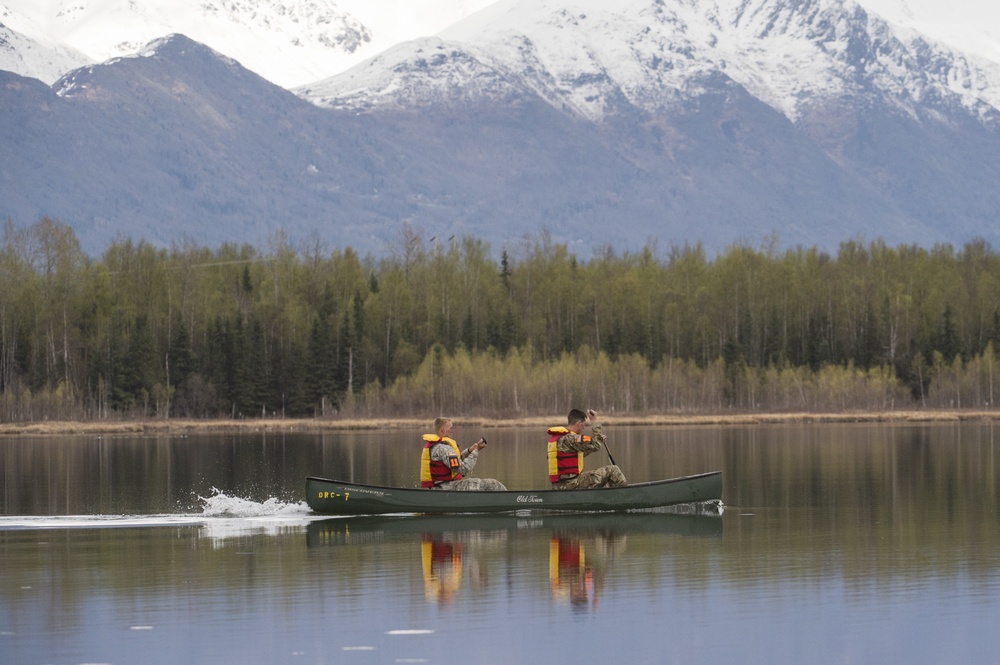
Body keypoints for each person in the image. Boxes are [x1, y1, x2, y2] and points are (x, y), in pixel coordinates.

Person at [546, 408, 627, 489]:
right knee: (613, 470)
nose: (584, 428)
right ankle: (625, 495)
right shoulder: (572, 438)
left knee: (606, 483)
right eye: (583, 424)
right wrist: (594, 422)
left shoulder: (558, 438)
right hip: (571, 484)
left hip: (559, 486)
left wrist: (598, 439)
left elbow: (576, 455)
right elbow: (595, 446)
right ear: (579, 423)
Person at [420, 417, 507, 491]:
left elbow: (454, 463)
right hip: (446, 487)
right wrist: (476, 451)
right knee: (493, 484)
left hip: (441, 485)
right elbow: (463, 469)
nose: (452, 431)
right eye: (451, 429)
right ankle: (513, 500)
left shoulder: (437, 446)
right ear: (443, 431)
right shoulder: (444, 448)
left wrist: (469, 451)